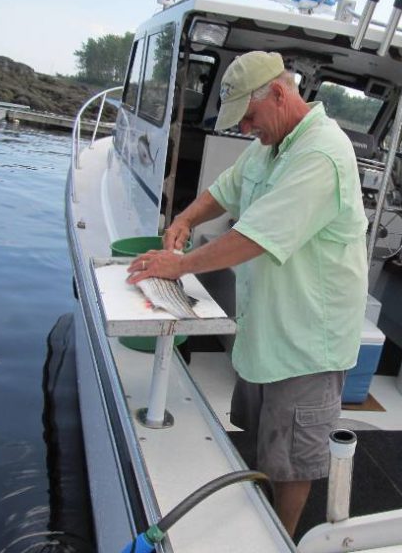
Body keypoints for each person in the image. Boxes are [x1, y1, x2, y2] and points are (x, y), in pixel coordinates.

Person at [126, 51, 368, 536]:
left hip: (306, 344)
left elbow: (254, 236)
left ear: (279, 93)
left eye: (249, 118)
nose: (245, 129)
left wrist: (179, 264)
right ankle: (260, 503)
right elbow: (226, 189)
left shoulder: (319, 153)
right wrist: (185, 219)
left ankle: (277, 536)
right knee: (263, 436)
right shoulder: (271, 143)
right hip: (266, 332)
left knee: (292, 460)